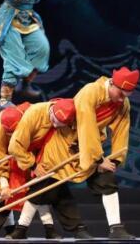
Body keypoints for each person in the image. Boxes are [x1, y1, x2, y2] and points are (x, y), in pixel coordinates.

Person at [0, 103, 60, 239]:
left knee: (38, 193)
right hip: (11, 164)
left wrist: (34, 163)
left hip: (34, 160)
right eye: (8, 133)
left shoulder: (31, 118)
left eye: (13, 132)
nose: (11, 136)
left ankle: (47, 229)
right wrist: (4, 185)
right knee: (1, 194)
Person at [8, 99, 93, 239]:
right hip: (28, 155)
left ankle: (24, 229)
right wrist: (33, 165)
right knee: (44, 190)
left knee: (48, 188)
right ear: (52, 110)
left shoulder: (74, 116)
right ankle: (71, 228)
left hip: (53, 156)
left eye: (60, 124)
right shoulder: (34, 113)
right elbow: (15, 146)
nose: (55, 125)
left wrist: (78, 145)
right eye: (53, 120)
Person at [73, 66, 140, 239]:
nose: (122, 99)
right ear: (112, 84)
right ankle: (20, 226)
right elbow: (86, 126)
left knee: (107, 180)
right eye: (120, 94)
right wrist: (97, 159)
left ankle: (116, 229)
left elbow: (121, 131)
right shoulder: (91, 92)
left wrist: (114, 160)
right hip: (65, 142)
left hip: (90, 147)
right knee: (47, 186)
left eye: (126, 96)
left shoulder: (122, 103)